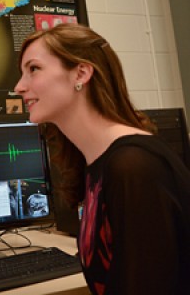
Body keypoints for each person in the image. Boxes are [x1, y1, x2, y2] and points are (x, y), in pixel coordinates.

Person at [14, 23, 190, 294]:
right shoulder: (97, 161)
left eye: (33, 69)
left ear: (81, 73)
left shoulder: (133, 165)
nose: (19, 87)